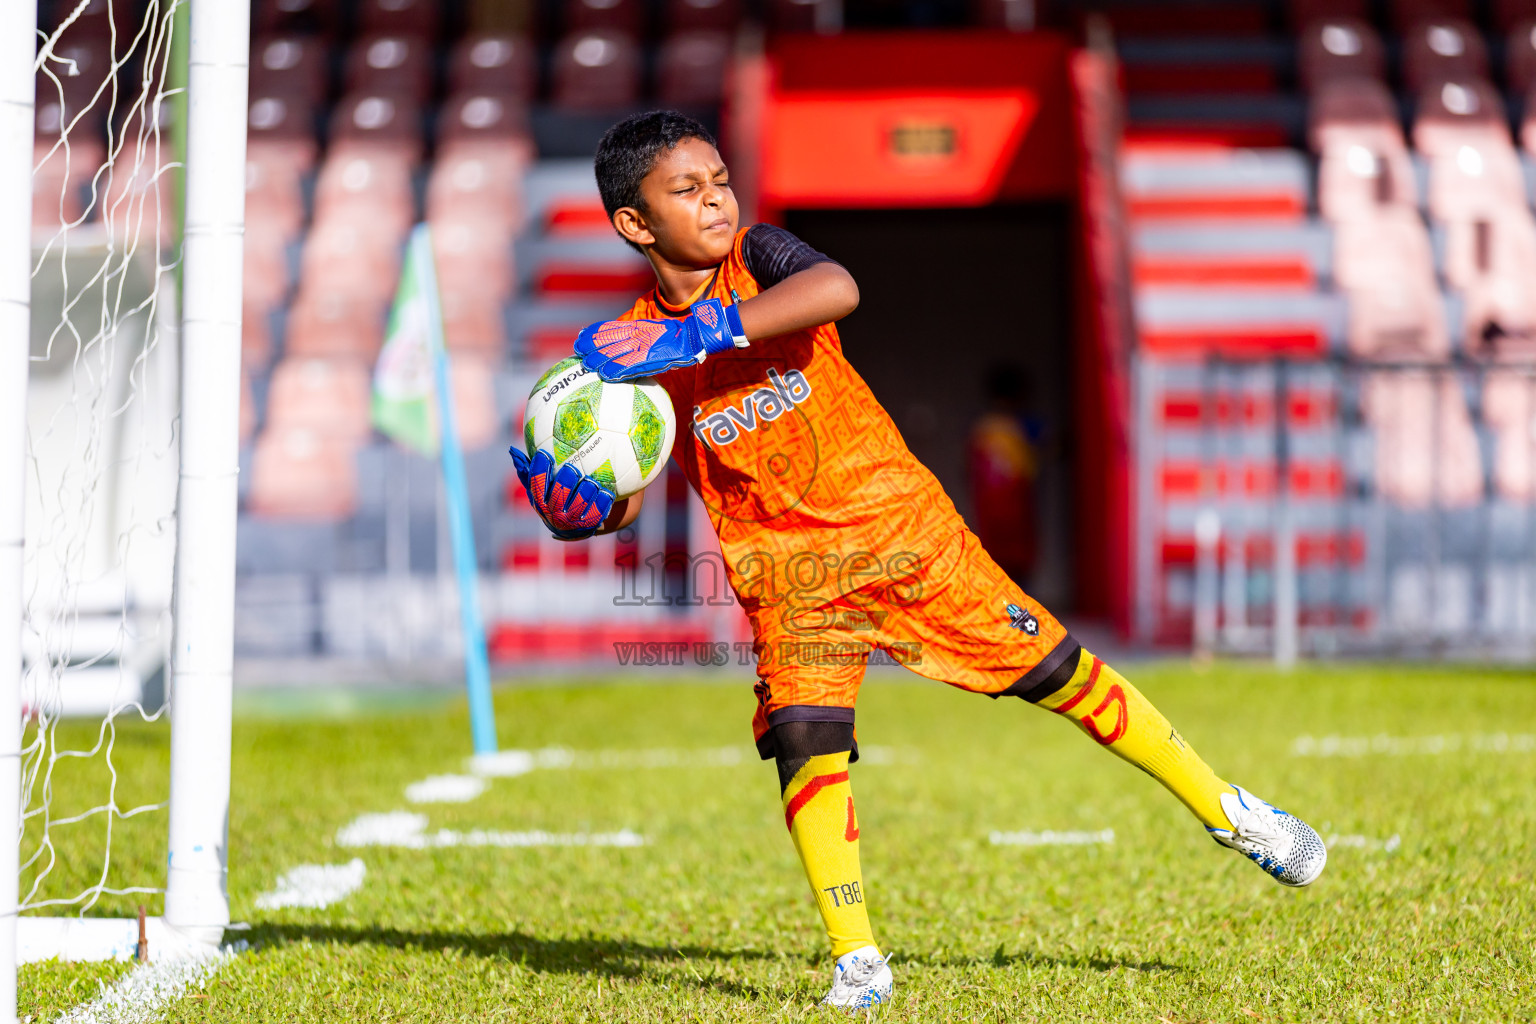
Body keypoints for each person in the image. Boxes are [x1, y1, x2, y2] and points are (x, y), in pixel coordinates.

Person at [509, 111, 1327, 1011]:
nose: (715, 200)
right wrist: (580, 510)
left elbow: (837, 287)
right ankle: (857, 957)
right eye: (687, 190)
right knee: (804, 740)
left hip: (902, 530)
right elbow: (624, 483)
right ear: (634, 224)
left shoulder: (758, 257)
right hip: (791, 576)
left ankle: (1229, 811)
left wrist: (702, 333)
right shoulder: (623, 352)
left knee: (1059, 674)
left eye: (719, 180)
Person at [966, 363, 1044, 589]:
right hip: (1018, 505)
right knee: (1019, 564)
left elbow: (968, 471)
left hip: (988, 506)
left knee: (992, 561)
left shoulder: (980, 428)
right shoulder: (1025, 425)